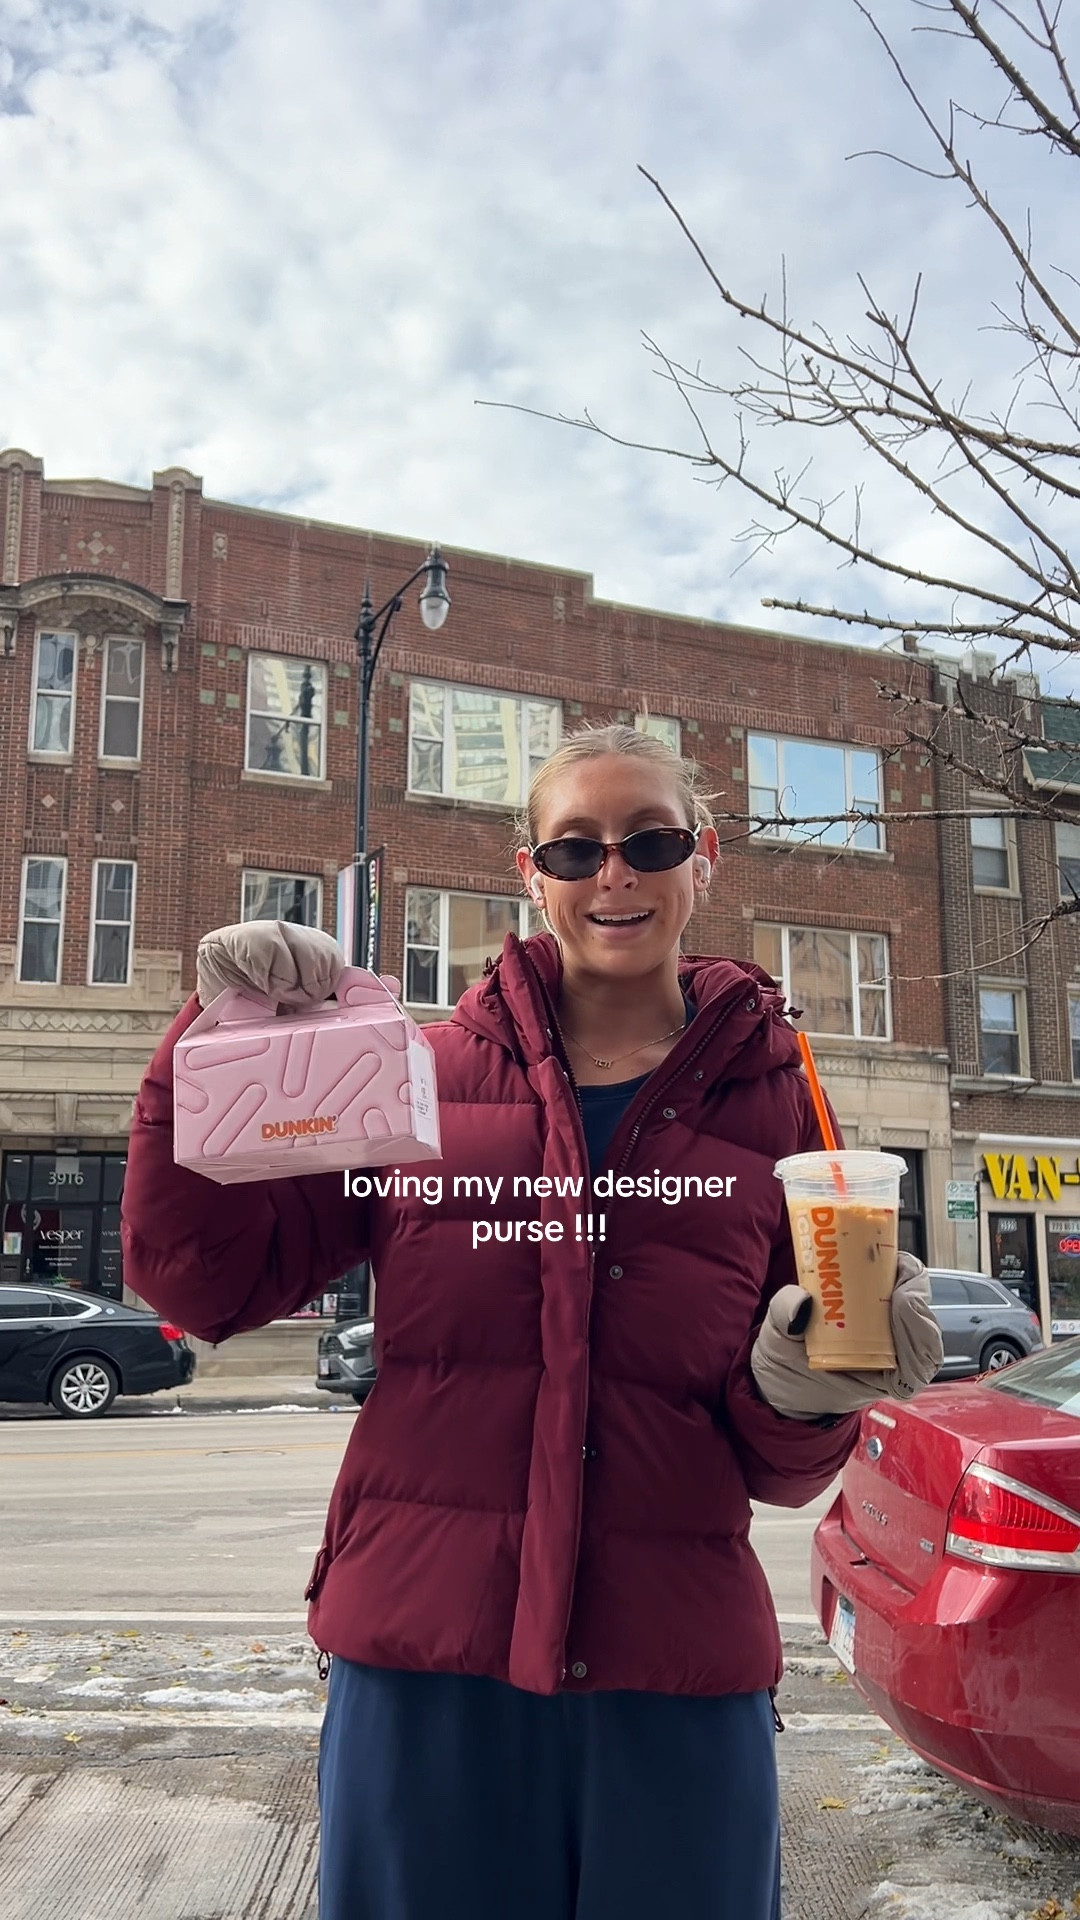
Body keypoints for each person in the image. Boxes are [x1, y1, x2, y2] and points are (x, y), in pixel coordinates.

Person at [121, 724, 942, 1920]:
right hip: (423, 1661)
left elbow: (775, 1462)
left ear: (704, 858)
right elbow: (202, 1283)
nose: (614, 873)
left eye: (650, 841)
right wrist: (206, 1048)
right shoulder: (419, 1072)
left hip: (674, 1674)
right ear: (532, 873)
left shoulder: (788, 1101)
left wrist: (809, 1388)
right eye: (576, 849)